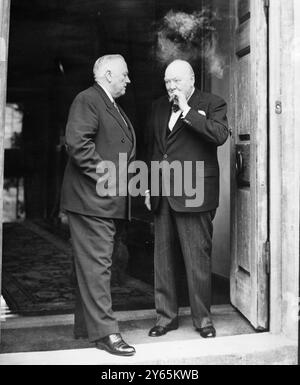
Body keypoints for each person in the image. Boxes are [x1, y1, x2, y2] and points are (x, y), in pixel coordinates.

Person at [145, 59, 229, 339]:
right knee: (163, 260)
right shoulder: (157, 106)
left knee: (197, 259)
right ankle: (165, 318)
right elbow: (155, 150)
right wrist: (148, 186)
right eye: (167, 81)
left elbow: (219, 136)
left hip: (195, 194)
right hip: (163, 192)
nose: (171, 87)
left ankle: (203, 320)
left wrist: (186, 110)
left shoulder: (213, 103)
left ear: (191, 79)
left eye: (176, 81)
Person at [61, 54, 136, 356]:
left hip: (100, 200)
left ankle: (85, 327)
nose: (128, 80)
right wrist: (110, 180)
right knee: (99, 266)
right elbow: (78, 144)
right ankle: (107, 333)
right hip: (92, 199)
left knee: (91, 265)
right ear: (107, 74)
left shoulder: (108, 103)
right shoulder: (88, 99)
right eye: (124, 75)